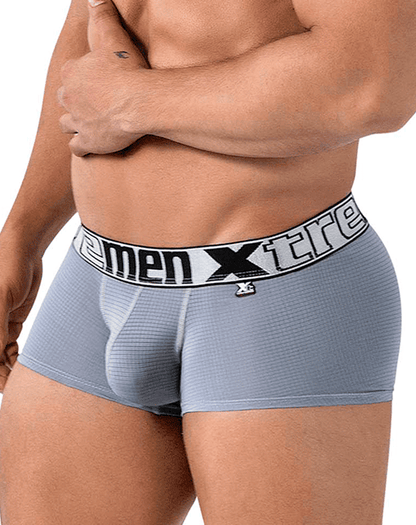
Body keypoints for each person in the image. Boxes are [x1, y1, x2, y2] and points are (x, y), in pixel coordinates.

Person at [0, 0, 415, 522]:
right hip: (94, 281)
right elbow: (94, 32)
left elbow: (375, 80)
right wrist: (22, 234)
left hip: (274, 293)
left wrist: (132, 101)